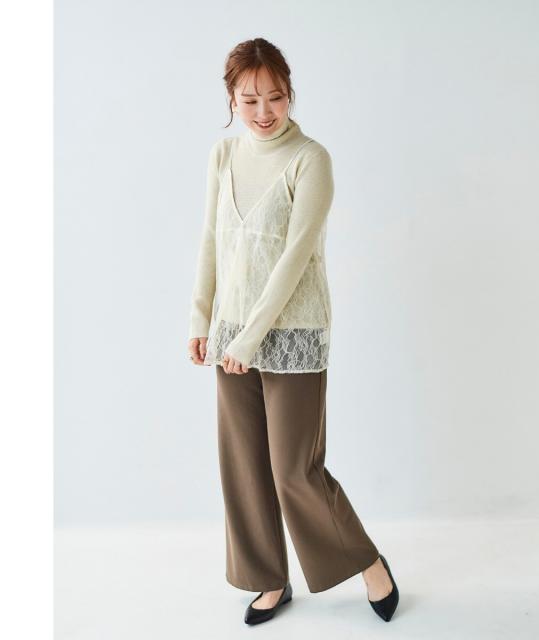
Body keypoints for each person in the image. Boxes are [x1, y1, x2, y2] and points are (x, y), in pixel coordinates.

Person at [187, 37, 399, 625]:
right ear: (231, 98)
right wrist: (201, 319)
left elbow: (295, 258)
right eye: (250, 99)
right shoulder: (223, 155)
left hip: (293, 335)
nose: (263, 111)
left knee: (294, 471)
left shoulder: (311, 159)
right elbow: (211, 240)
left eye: (275, 97)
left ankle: (368, 561)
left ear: (290, 94)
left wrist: (249, 339)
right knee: (244, 465)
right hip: (230, 333)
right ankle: (267, 578)